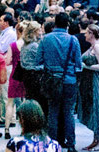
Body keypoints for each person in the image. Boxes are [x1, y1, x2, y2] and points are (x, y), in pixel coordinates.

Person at [39, 14, 82, 150]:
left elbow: (38, 61)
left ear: (55, 24)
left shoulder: (45, 39)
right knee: (68, 113)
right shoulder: (73, 40)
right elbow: (78, 65)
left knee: (53, 112)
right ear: (67, 24)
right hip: (69, 80)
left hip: (52, 80)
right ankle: (71, 144)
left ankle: (52, 144)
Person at [78, 26, 99, 151]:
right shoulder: (92, 47)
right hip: (89, 81)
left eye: (87, 32)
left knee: (97, 109)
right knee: (93, 109)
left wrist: (86, 67)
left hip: (95, 81)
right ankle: (96, 139)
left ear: (92, 34)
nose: (85, 34)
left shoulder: (97, 47)